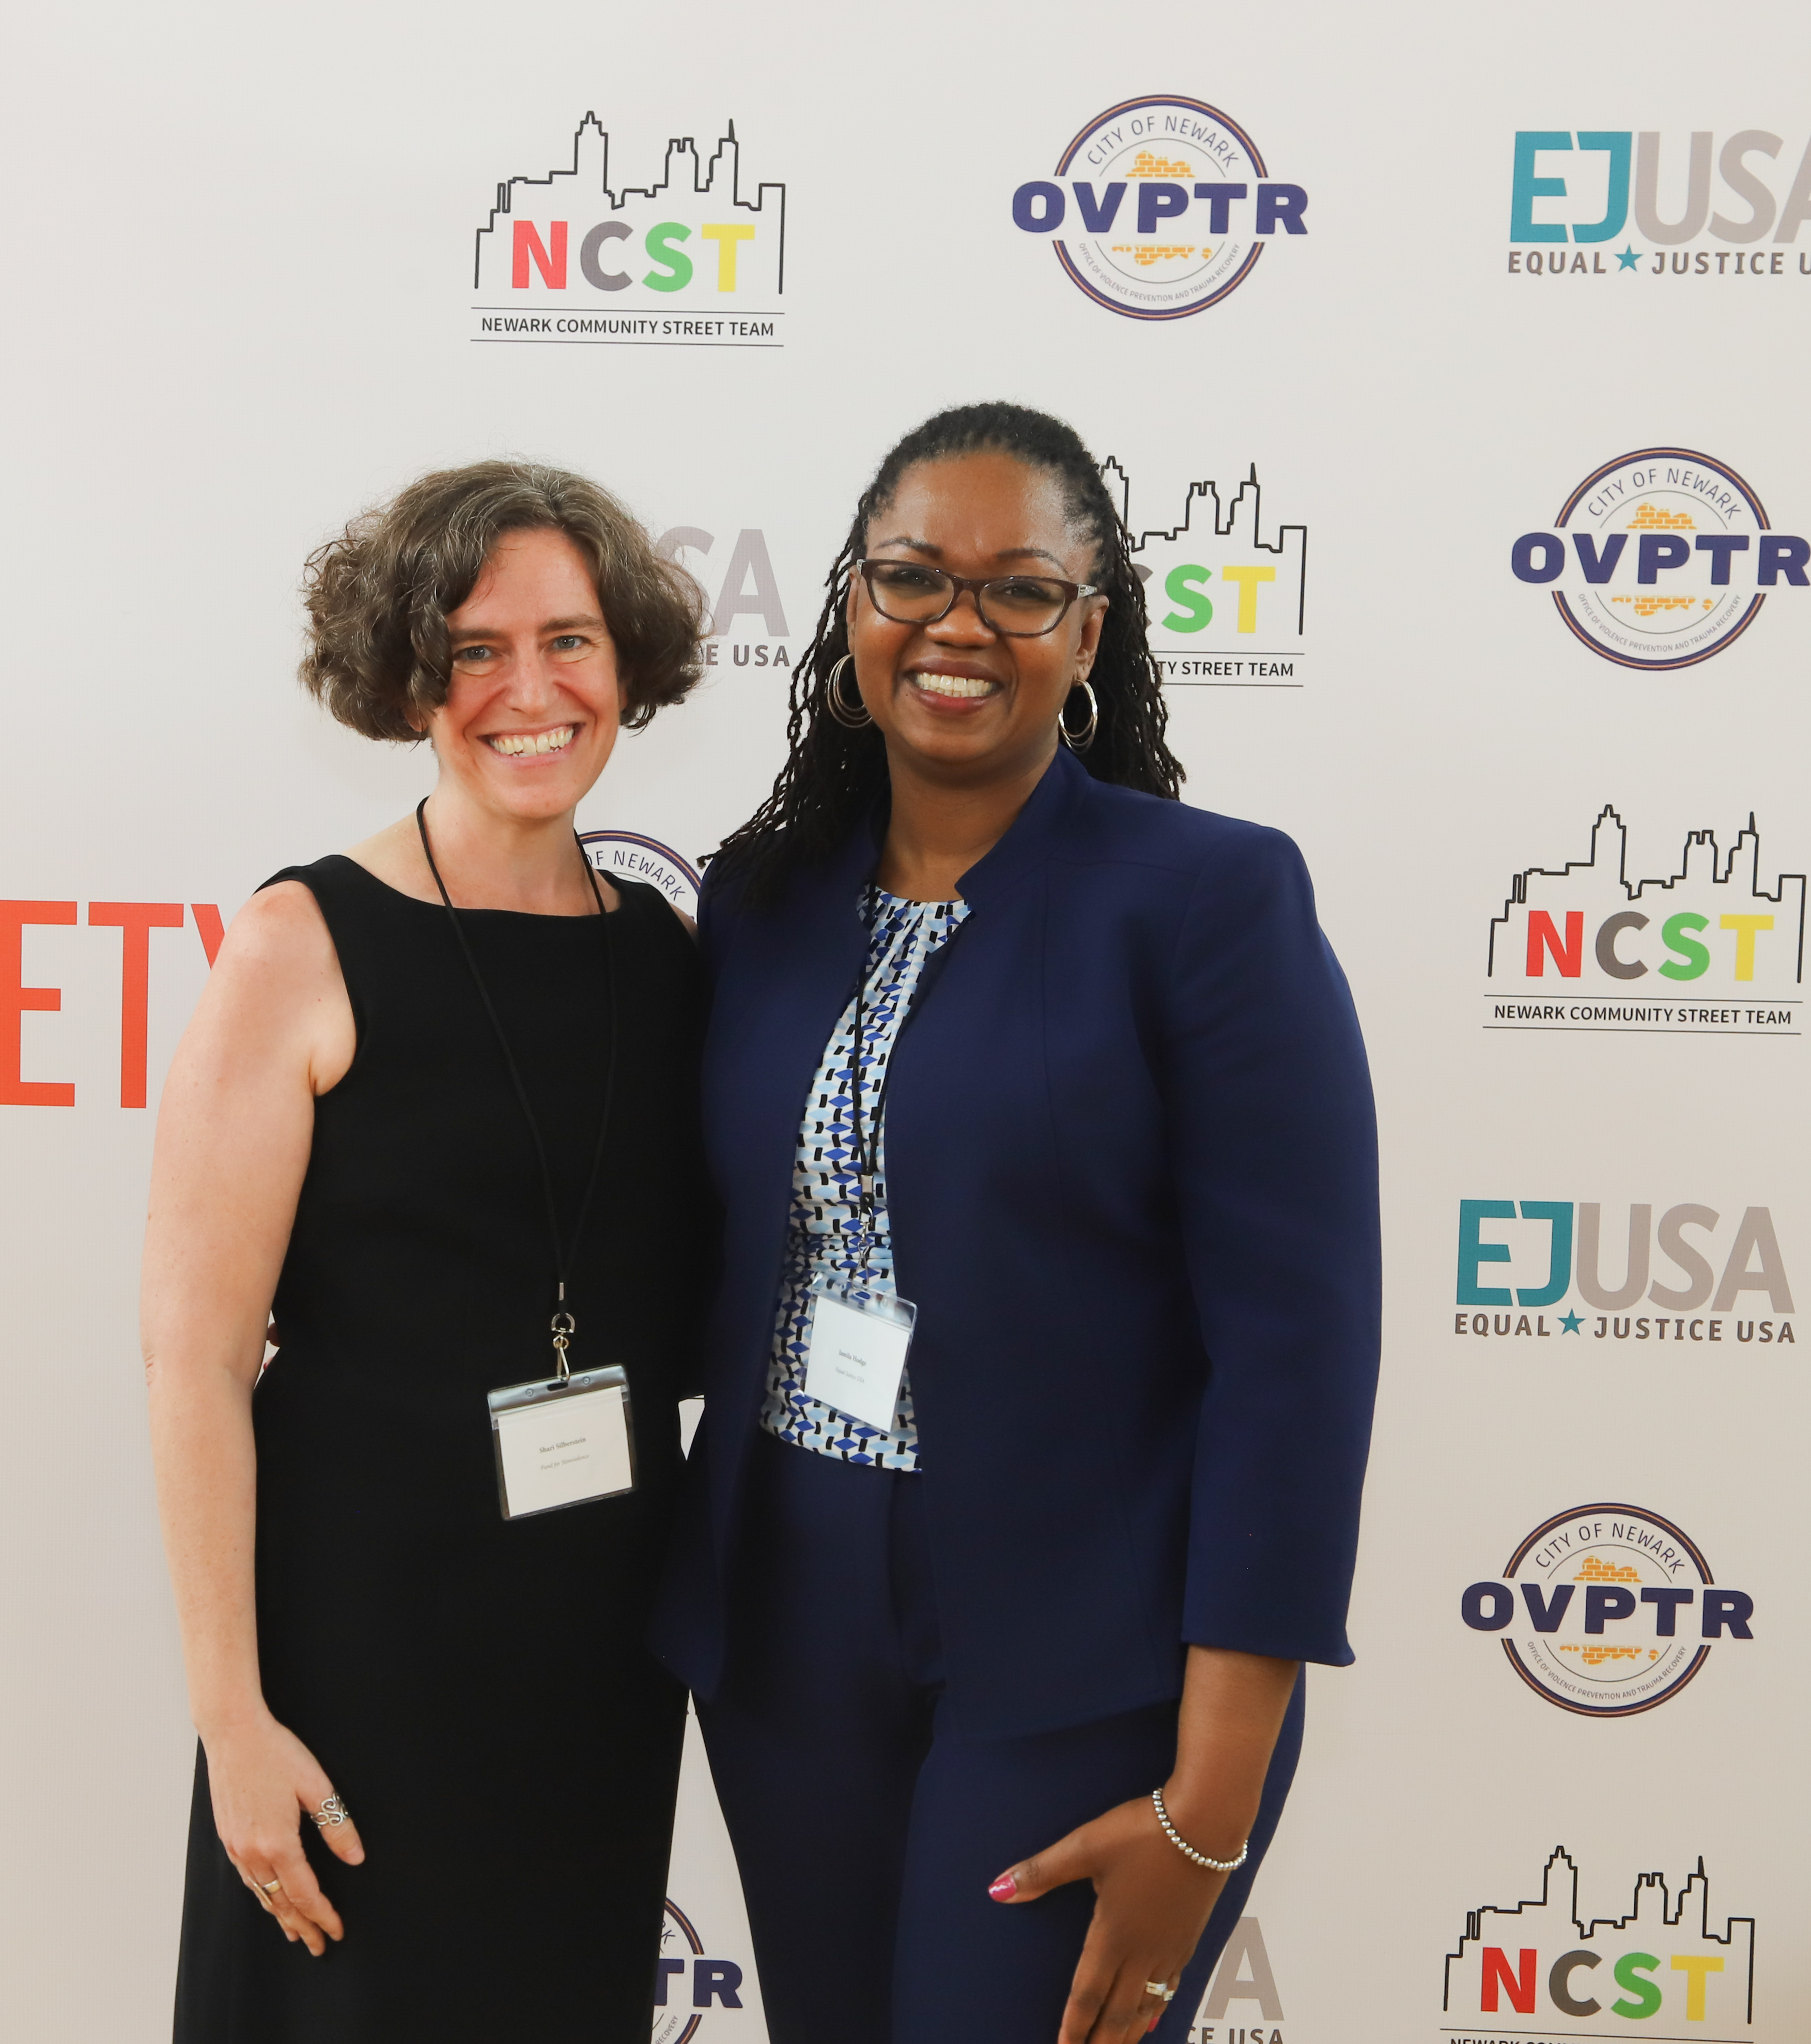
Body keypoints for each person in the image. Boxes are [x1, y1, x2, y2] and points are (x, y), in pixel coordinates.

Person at [651, 403, 1381, 2044]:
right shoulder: (759, 900)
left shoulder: (1206, 900)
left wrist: (1207, 1805)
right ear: (852, 602)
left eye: (1019, 588)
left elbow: (1296, 1362)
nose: (956, 625)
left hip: (1082, 1635)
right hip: (786, 1613)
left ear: (1088, 631)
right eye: (912, 576)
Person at [146, 461, 714, 2041]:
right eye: (474, 651)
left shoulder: (667, 956)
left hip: (596, 1657)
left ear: (626, 659)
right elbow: (194, 1358)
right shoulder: (301, 943)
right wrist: (231, 1718)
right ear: (407, 679)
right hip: (357, 1658)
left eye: (567, 639)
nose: (529, 691)